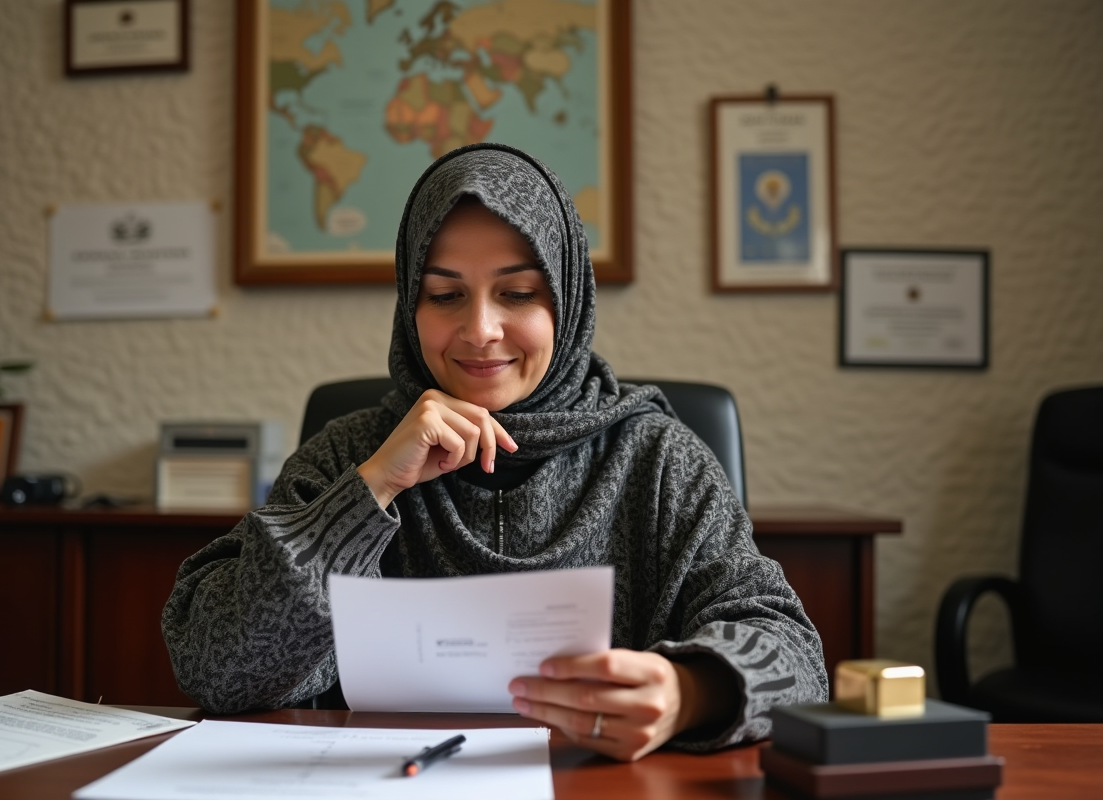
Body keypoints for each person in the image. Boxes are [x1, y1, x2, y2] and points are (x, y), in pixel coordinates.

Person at [162, 143, 827, 761]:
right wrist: (366, 494)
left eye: (517, 293)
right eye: (445, 295)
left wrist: (689, 693)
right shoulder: (348, 453)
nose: (480, 330)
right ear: (408, 305)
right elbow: (216, 665)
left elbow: (796, 657)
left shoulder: (657, 459)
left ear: (565, 301)